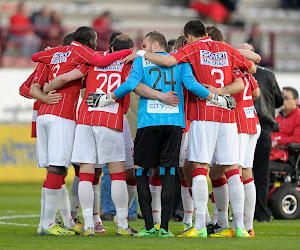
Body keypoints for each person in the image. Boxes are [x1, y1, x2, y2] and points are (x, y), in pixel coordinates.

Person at [88, 31, 239, 238]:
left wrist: (106, 98)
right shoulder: (181, 62)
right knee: (168, 172)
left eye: (146, 45)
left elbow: (131, 85)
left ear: (155, 45)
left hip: (148, 123)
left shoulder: (141, 62)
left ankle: (150, 226)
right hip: (174, 124)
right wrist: (216, 98)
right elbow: (193, 85)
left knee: (141, 172)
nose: (144, 48)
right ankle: (166, 228)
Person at [123, 20, 259, 238]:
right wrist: (221, 90)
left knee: (198, 167)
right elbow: (251, 69)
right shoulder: (227, 49)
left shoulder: (192, 48)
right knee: (233, 169)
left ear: (187, 36)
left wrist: (141, 53)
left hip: (203, 113)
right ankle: (241, 227)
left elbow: (167, 60)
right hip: (228, 116)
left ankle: (198, 226)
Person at [29, 26, 132, 236]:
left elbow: (54, 77)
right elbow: (131, 86)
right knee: (115, 172)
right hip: (106, 117)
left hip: (84, 118)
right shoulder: (115, 62)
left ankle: (86, 224)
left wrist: (46, 90)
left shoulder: (78, 61)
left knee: (83, 171)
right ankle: (121, 224)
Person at [238, 43, 284, 222]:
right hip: (263, 127)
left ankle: (239, 212)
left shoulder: (235, 72)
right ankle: (261, 213)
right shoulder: (268, 75)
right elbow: (279, 101)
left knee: (239, 170)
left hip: (241, 125)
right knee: (261, 173)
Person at [270, 87, 300, 161]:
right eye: (281, 97)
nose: (282, 100)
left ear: (296, 101)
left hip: (289, 155)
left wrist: (277, 141)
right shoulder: (277, 118)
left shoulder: (298, 117)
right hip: (272, 151)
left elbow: (297, 139)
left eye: (286, 98)